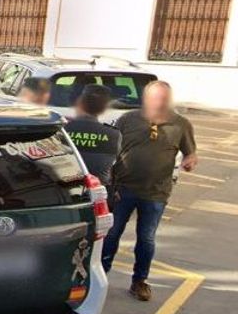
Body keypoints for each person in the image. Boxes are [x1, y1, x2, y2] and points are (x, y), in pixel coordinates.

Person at [101, 81, 198, 301]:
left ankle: (139, 281)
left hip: (156, 193)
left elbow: (190, 153)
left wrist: (190, 161)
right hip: (123, 190)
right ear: (146, 99)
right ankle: (102, 276)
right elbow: (110, 153)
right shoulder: (128, 120)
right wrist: (110, 185)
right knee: (112, 234)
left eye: (164, 99)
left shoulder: (181, 124)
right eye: (156, 98)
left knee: (146, 238)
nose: (160, 103)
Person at [65, 84, 121, 188]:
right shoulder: (114, 134)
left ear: (80, 103)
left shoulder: (63, 129)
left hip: (67, 190)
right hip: (98, 192)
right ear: (104, 109)